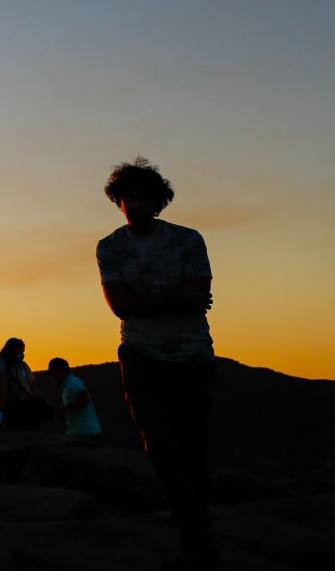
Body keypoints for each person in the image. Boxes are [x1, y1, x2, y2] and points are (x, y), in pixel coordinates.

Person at [97, 157, 217, 568]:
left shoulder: (188, 240)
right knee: (161, 444)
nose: (137, 204)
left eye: (146, 197)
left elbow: (197, 293)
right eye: (130, 197)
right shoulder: (109, 247)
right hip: (140, 355)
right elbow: (120, 307)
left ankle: (197, 533)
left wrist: (145, 304)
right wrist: (176, 300)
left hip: (192, 356)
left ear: (159, 201)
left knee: (193, 445)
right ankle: (192, 530)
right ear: (120, 200)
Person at [48, 358, 101, 439]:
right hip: (80, 432)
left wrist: (66, 408)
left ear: (64, 370)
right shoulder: (68, 384)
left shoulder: (73, 382)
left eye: (55, 373)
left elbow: (85, 400)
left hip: (86, 433)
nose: (54, 377)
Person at [1, 338, 46, 431]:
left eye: (23, 352)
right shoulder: (1, 367)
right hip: (12, 406)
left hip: (27, 403)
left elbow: (32, 385)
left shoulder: (23, 365)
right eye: (20, 351)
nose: (22, 355)